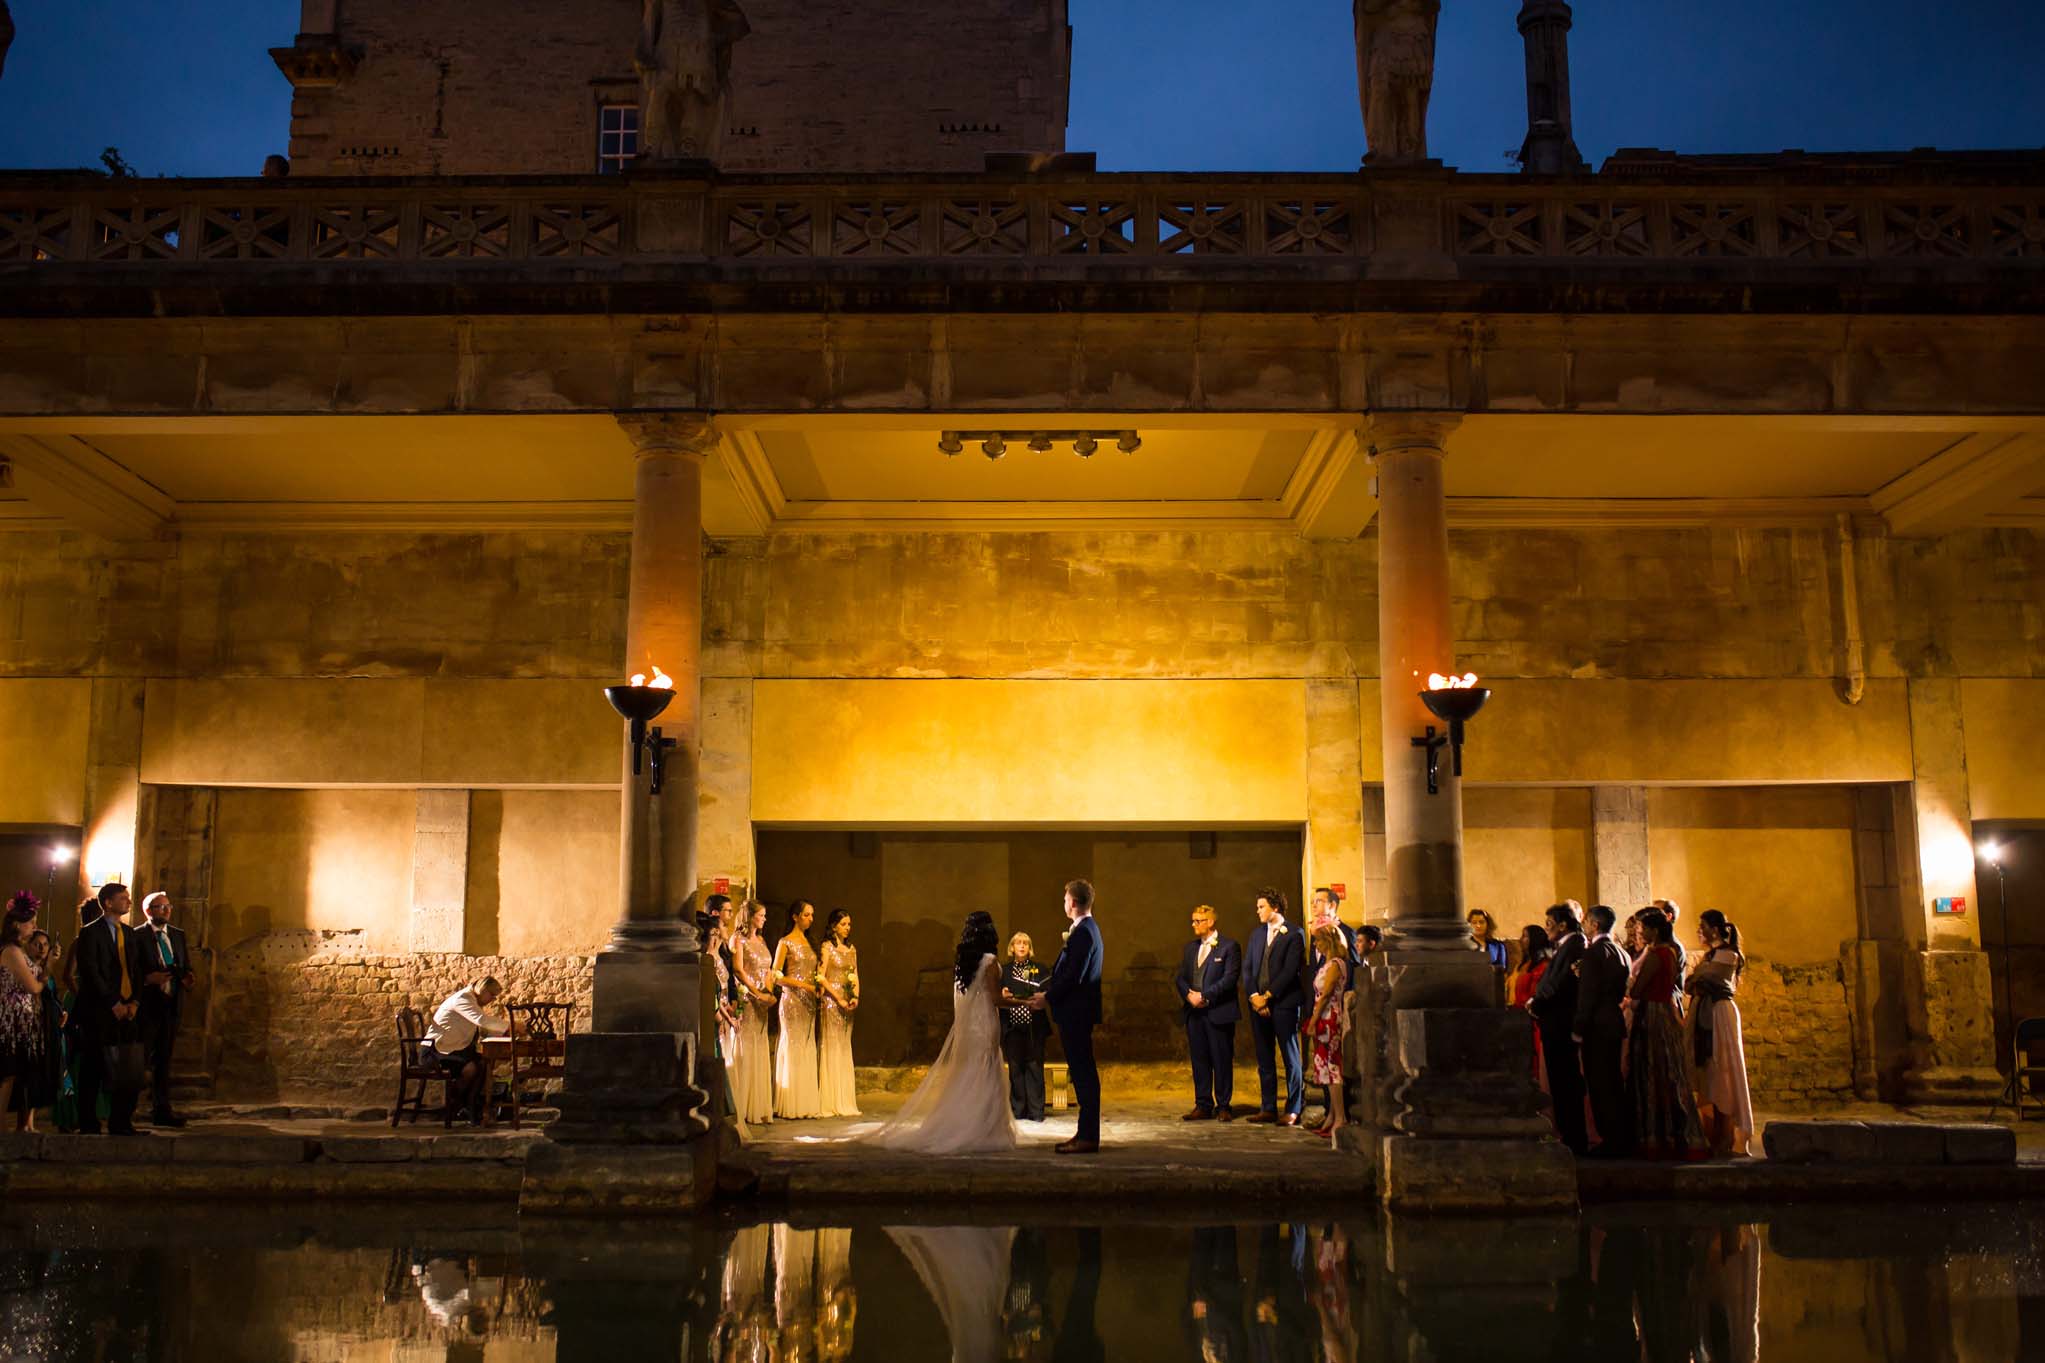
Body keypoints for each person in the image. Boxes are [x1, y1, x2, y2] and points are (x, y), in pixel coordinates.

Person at [871, 910, 1017, 1154]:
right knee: (986, 1068)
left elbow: (969, 994)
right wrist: (1022, 1002)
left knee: (970, 1070)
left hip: (968, 1025)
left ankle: (966, 1121)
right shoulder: (990, 960)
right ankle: (984, 1127)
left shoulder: (963, 962)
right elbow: (994, 999)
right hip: (985, 1022)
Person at [1626, 909, 1706, 1159]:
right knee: (1671, 1072)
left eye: (1643, 929)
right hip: (1665, 1011)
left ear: (1654, 930)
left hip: (1652, 1014)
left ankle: (1657, 1136)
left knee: (1653, 1071)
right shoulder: (1670, 952)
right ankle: (1677, 1134)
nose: (1640, 933)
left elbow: (1638, 989)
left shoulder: (1657, 954)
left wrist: (1629, 983)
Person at [73, 882, 147, 1136]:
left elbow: (136, 970)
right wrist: (112, 1002)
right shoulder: (90, 933)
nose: (128, 902)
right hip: (99, 1011)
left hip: (128, 1010)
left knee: (128, 1067)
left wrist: (134, 1002)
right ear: (108, 902)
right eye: (123, 898)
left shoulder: (129, 933)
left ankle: (121, 1121)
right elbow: (91, 972)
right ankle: (88, 1122)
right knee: (93, 1067)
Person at [1685, 909, 1754, 1157]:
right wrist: (1695, 982)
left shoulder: (1727, 955)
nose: (1699, 930)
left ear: (1714, 929)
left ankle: (1726, 1136)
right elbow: (1691, 983)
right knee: (1709, 1073)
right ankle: (1713, 1133)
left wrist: (1696, 982)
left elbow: (1705, 982)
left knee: (1723, 1070)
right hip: (1707, 1012)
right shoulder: (1710, 956)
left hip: (1719, 1016)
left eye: (1702, 926)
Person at [1043, 878, 1104, 1154]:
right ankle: (1084, 1133)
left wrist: (1047, 997)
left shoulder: (1084, 933)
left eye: (1065, 899)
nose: (1064, 903)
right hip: (1076, 1011)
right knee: (1081, 1073)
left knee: (1083, 1074)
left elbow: (1073, 976)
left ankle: (1088, 1137)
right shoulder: (1086, 930)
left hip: (1076, 1013)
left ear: (1074, 903)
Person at [1173, 903, 1241, 1122]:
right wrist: (1189, 995)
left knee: (1221, 1059)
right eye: (1192, 921)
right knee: (1199, 1060)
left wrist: (1205, 996)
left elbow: (1229, 979)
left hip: (1218, 1012)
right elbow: (1180, 977)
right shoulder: (1190, 948)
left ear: (1210, 922)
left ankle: (1223, 1105)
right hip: (1194, 1013)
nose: (1194, 924)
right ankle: (1202, 1104)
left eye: (1198, 921)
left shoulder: (1229, 947)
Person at [1244, 888, 1306, 1127]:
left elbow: (1290, 971)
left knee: (1291, 1058)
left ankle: (1294, 1108)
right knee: (1264, 1058)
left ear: (1276, 907)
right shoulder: (1256, 934)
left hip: (1284, 1004)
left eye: (1262, 906)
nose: (1257, 911)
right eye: (1258, 907)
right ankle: (1268, 1107)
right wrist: (1254, 997)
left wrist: (1268, 996)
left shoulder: (1294, 933)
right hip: (1258, 1005)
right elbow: (1248, 968)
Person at [1576, 905, 1634, 1158]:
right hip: (1614, 1021)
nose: (1584, 926)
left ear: (1594, 924)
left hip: (1597, 1026)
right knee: (1613, 1082)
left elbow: (1588, 995)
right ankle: (1620, 1137)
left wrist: (1578, 1028)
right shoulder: (1621, 952)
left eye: (1586, 922)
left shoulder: (1593, 953)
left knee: (1600, 1084)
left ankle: (1610, 1140)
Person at [1531, 901, 1588, 1153]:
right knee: (1559, 1080)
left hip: (1561, 1021)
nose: (1546, 928)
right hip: (1553, 1020)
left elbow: (1562, 982)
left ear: (1563, 925)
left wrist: (1539, 1002)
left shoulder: (1575, 945)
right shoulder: (1564, 946)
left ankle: (1574, 1137)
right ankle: (1567, 1133)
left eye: (1550, 924)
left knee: (1566, 1080)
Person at [134, 891, 195, 1129]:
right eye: (161, 907)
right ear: (148, 911)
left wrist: (188, 977)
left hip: (171, 1004)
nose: (167, 910)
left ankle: (162, 1110)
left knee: (164, 1060)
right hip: (147, 1005)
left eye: (168, 906)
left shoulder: (178, 935)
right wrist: (147, 979)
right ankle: (127, 1109)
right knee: (139, 1058)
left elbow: (185, 964)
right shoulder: (137, 935)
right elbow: (130, 970)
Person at [424, 975, 509, 1123]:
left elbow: (481, 1027)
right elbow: (482, 1020)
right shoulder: (462, 999)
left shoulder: (472, 1001)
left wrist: (502, 1033)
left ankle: (469, 1104)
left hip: (453, 1049)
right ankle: (455, 1103)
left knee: (484, 1062)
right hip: (436, 1051)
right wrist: (511, 1026)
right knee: (470, 1068)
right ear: (483, 990)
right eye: (492, 995)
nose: (492, 1000)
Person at [772, 900, 823, 1119]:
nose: (811, 919)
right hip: (792, 1001)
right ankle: (790, 1103)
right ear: (795, 916)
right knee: (793, 1046)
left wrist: (818, 986)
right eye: (806, 915)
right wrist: (804, 986)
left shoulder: (811, 942)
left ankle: (806, 1103)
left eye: (812, 915)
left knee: (807, 1046)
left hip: (809, 1003)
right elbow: (776, 975)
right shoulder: (785, 942)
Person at [729, 900, 777, 1126]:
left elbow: (766, 969)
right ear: (749, 916)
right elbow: (738, 970)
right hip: (748, 999)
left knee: (759, 1045)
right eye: (761, 915)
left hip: (761, 1001)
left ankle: (758, 1105)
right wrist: (756, 993)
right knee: (746, 1046)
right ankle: (743, 1105)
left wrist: (769, 992)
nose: (764, 919)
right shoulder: (738, 939)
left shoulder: (762, 940)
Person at [0, 896, 45, 1131]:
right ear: (17, 924)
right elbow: (33, 986)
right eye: (31, 922)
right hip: (10, 1020)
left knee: (14, 1075)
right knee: (6, 1075)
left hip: (22, 1019)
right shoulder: (11, 951)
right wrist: (44, 979)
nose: (35, 927)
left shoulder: (19, 951)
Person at [999, 931, 1051, 1122]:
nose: (1022, 946)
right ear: (1012, 948)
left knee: (1035, 1068)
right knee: (1015, 1069)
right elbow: (996, 994)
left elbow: (1048, 991)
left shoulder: (1040, 969)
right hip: (1012, 1026)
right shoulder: (1004, 971)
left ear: (1030, 948)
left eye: (1025, 943)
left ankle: (1036, 1111)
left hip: (1034, 1026)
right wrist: (1002, 993)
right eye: (1018, 943)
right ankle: (1018, 1111)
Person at [1305, 924, 1350, 1140]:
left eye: (1318, 940)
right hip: (1324, 1014)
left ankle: (1340, 1117)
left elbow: (1326, 994)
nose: (1316, 944)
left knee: (1332, 1066)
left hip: (1329, 1017)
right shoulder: (1328, 963)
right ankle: (1332, 1115)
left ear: (1328, 941)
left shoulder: (1335, 965)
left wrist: (1313, 1021)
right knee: (1325, 1067)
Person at [817, 907, 860, 1118]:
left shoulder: (851, 949)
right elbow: (821, 976)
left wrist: (855, 997)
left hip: (846, 1003)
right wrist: (838, 998)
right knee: (831, 1046)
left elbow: (855, 975)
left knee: (844, 1046)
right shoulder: (827, 947)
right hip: (832, 1002)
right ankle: (830, 1099)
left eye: (849, 924)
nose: (847, 928)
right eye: (843, 924)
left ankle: (844, 1099)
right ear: (834, 926)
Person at [22, 928, 64, 1128]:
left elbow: (51, 995)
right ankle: (23, 1123)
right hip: (28, 1027)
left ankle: (29, 1122)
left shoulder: (47, 970)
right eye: (37, 944)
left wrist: (61, 1011)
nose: (42, 948)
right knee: (27, 1075)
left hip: (46, 1028)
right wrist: (50, 965)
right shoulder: (26, 968)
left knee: (39, 1075)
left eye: (45, 944)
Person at [1508, 923, 1553, 1086]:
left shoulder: (1543, 966)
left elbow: (1536, 995)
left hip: (1532, 1021)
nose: (1521, 940)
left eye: (1525, 936)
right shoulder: (1525, 964)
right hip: (1518, 1017)